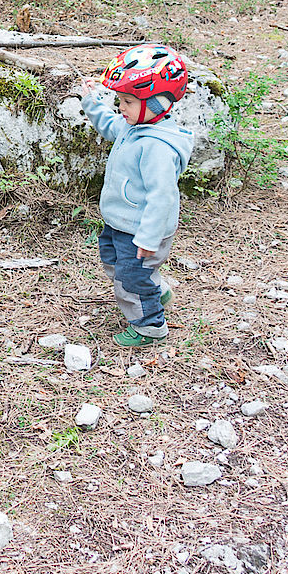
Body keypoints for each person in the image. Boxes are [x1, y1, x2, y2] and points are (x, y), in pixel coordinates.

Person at [77, 44, 195, 348]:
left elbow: (161, 197)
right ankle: (152, 287)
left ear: (157, 103)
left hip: (141, 230)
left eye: (127, 101)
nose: (121, 107)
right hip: (121, 222)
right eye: (120, 100)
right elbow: (108, 124)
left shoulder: (156, 147)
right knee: (114, 263)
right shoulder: (134, 126)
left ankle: (150, 325)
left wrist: (148, 238)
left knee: (130, 278)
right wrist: (92, 100)